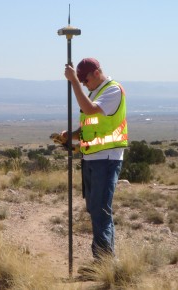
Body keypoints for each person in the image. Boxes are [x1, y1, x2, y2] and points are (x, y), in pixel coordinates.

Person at [62, 58, 128, 261]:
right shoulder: (94, 93)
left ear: (97, 73)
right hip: (91, 158)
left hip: (106, 159)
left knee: (100, 211)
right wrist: (70, 136)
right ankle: (104, 260)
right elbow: (90, 124)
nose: (83, 83)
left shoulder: (113, 90)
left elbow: (90, 110)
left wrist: (72, 81)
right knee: (96, 210)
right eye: (80, 80)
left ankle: (105, 262)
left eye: (85, 79)